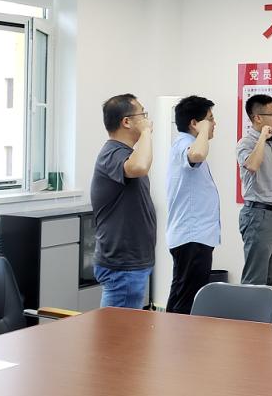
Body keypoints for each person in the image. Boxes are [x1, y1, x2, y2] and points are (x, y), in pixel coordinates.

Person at [91, 94, 156, 309]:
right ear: (126, 121)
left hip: (132, 261)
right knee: (118, 329)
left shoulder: (125, 153)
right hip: (123, 264)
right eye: (142, 114)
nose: (147, 120)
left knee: (125, 327)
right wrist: (146, 132)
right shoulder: (112, 153)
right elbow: (139, 167)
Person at [165, 95, 220, 314]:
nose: (214, 123)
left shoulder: (186, 143)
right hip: (192, 237)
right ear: (194, 123)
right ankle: (176, 336)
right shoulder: (185, 144)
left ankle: (173, 334)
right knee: (186, 302)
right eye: (210, 119)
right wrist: (204, 130)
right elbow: (197, 154)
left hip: (196, 236)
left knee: (183, 297)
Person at [236, 94, 272, 286]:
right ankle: (248, 308)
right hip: (257, 215)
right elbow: (252, 165)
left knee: (269, 279)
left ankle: (265, 309)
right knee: (255, 280)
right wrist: (262, 137)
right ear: (257, 118)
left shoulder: (269, 143)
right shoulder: (246, 143)